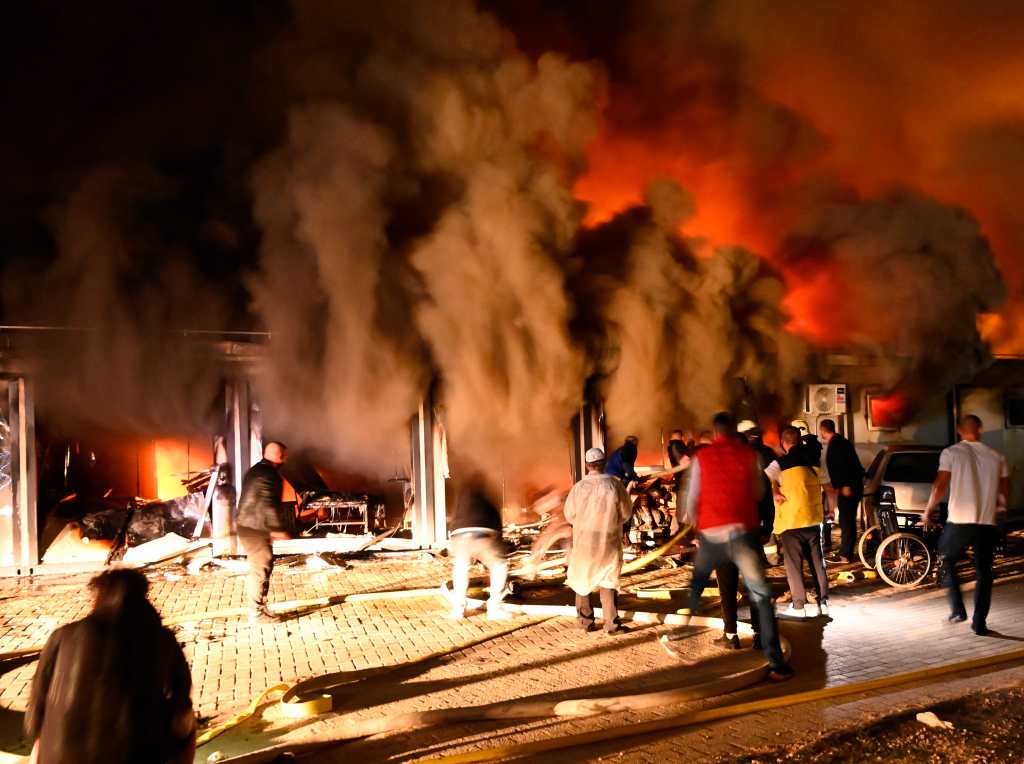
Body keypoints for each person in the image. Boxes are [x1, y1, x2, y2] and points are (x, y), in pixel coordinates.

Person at [662, 412, 793, 681]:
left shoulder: (703, 459)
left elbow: (691, 501)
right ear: (735, 431)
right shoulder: (749, 456)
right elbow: (760, 494)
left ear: (716, 432)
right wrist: (763, 526)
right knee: (759, 593)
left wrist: (694, 524)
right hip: (745, 532)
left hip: (714, 535)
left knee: (720, 587)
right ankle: (771, 655)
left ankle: (728, 636)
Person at [26, 569, 195, 764]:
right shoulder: (161, 638)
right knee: (188, 726)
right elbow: (182, 707)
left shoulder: (62, 635)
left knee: (41, 738)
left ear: (98, 598)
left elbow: (34, 719)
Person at [923, 415, 1009, 636]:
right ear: (980, 429)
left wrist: (928, 510)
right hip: (986, 523)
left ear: (960, 430)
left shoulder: (951, 453)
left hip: (960, 521)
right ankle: (979, 623)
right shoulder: (997, 457)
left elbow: (940, 484)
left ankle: (958, 610)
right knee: (984, 572)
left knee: (946, 559)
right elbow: (1004, 489)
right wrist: (1001, 509)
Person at [565, 447, 634, 634]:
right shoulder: (615, 485)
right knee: (608, 580)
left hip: (585, 541)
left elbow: (569, 515)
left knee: (582, 578)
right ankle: (611, 624)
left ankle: (584, 622)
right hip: (608, 540)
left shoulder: (578, 488)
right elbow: (626, 513)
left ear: (587, 465)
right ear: (603, 464)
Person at [766, 427, 829, 619]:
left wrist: (774, 491)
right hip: (812, 519)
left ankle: (799, 606)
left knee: (794, 565)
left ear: (784, 444)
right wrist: (831, 509)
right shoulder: (814, 462)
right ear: (799, 440)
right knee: (817, 562)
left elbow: (762, 480)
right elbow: (828, 486)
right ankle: (823, 603)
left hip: (790, 522)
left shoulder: (778, 464)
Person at [235, 441, 291, 624]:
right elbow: (268, 505)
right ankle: (257, 613)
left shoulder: (258, 470)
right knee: (260, 569)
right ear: (278, 455)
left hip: (251, 526)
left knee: (263, 566)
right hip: (254, 528)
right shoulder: (268, 475)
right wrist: (278, 529)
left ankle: (259, 608)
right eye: (284, 454)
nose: (286, 459)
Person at [448, 475, 511, 620]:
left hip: (459, 536)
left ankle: (458, 609)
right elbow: (497, 526)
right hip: (483, 534)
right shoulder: (488, 501)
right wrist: (497, 552)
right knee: (499, 566)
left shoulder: (461, 502)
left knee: (461, 567)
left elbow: (453, 523)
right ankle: (494, 608)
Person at [820, 419, 865, 563]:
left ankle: (846, 555)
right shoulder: (841, 442)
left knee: (847, 521)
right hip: (851, 486)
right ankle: (845, 553)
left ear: (823, 430)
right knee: (847, 521)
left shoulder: (837, 445)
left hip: (849, 488)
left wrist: (845, 486)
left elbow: (843, 467)